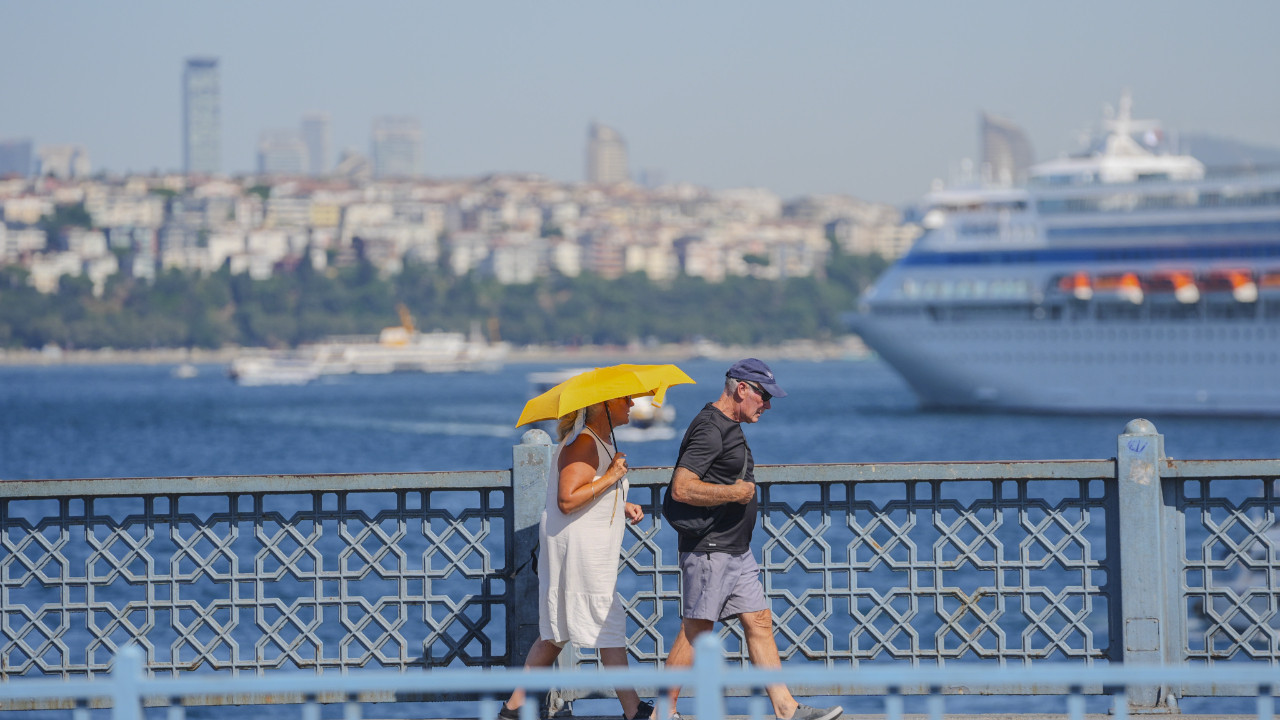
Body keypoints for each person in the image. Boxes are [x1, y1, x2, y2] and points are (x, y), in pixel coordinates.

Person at [661, 359, 842, 720]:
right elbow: (681, 488)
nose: (768, 405)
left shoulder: (729, 425)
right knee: (697, 629)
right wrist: (732, 493)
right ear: (742, 388)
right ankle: (663, 713)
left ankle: (786, 708)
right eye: (764, 396)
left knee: (759, 621)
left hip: (735, 548)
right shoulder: (711, 428)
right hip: (711, 549)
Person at [501, 394, 654, 720]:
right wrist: (613, 478)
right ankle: (634, 711)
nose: (630, 405)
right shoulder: (583, 443)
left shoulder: (599, 440)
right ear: (604, 405)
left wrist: (620, 500)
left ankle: (512, 711)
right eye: (625, 400)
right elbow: (568, 500)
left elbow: (588, 487)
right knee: (606, 621)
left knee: (556, 632)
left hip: (584, 547)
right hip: (579, 551)